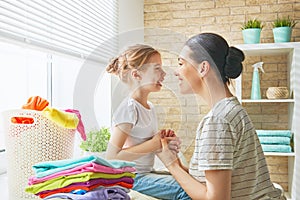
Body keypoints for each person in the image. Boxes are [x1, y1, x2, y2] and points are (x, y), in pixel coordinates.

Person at [157, 33, 285, 199]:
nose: (176, 71)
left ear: (203, 68)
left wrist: (171, 164)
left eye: (181, 63)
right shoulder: (230, 109)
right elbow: (214, 182)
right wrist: (178, 164)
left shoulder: (218, 121)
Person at [105, 44, 190, 200]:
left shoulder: (149, 107)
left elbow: (147, 144)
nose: (164, 74)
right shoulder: (129, 108)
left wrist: (163, 141)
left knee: (194, 182)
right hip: (130, 178)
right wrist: (154, 143)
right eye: (157, 68)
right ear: (137, 75)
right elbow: (112, 157)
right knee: (188, 191)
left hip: (145, 173)